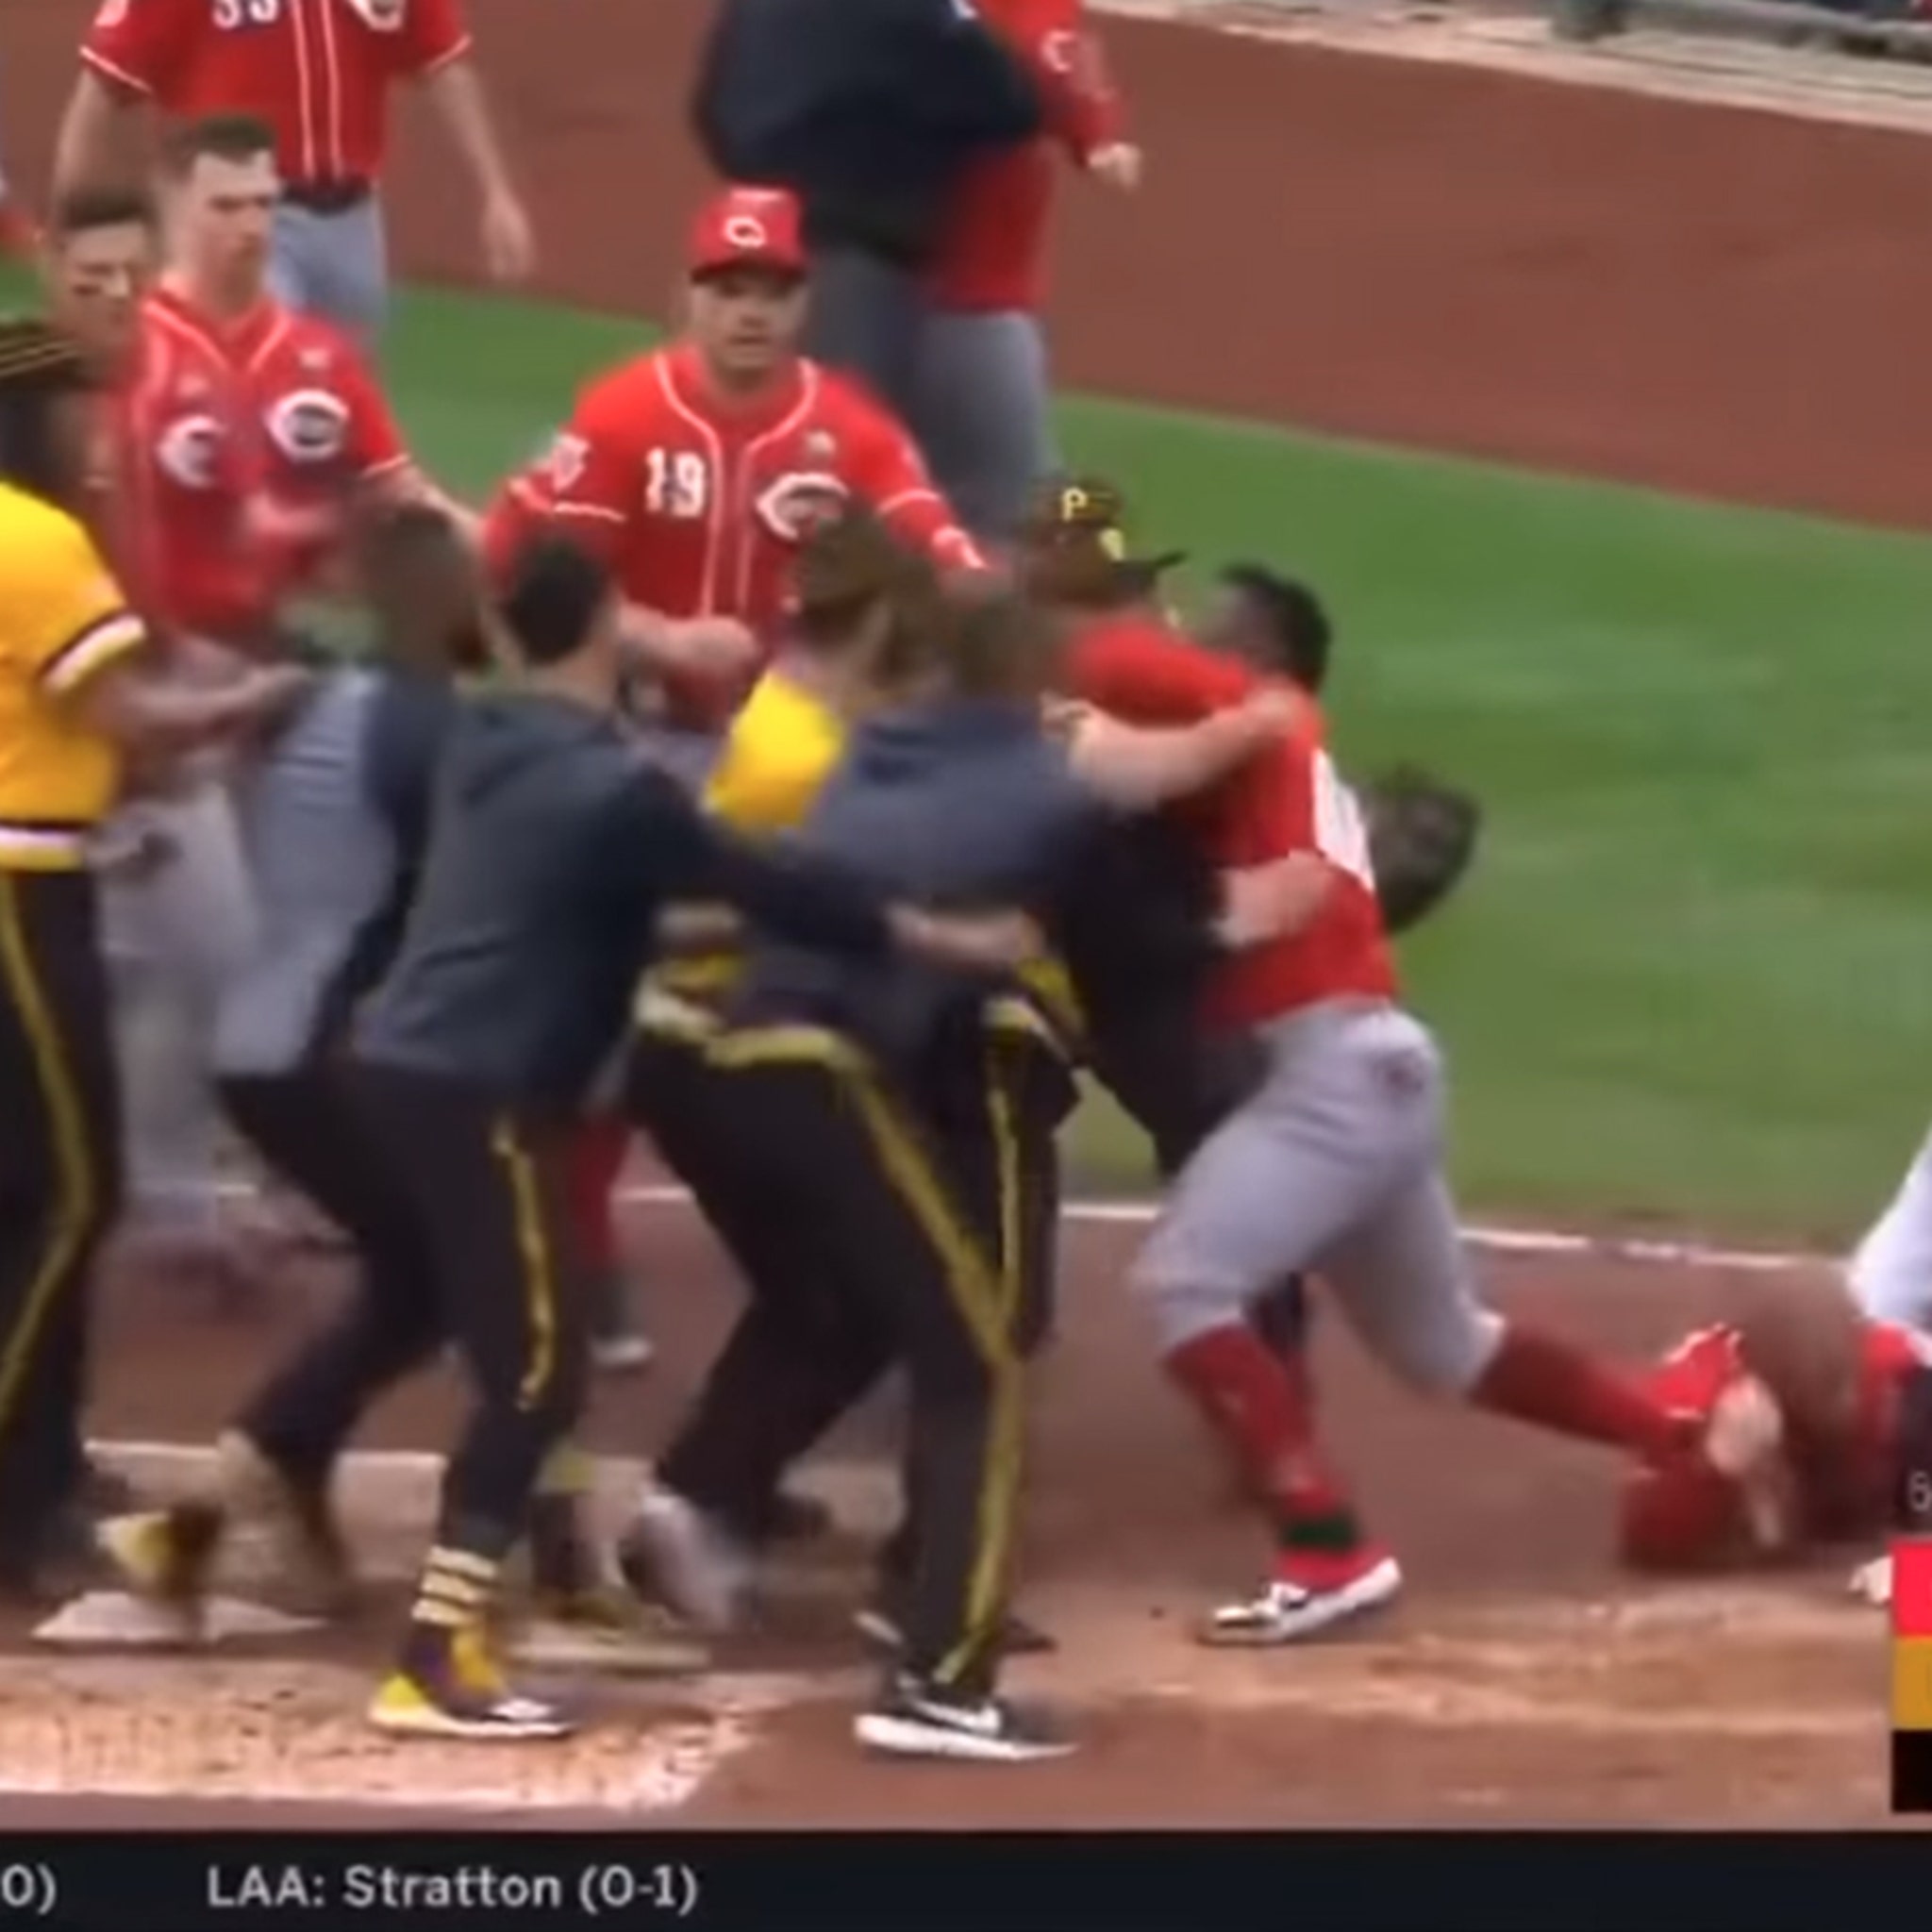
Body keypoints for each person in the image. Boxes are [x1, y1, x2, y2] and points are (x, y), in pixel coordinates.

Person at [342, 529, 1033, 1740]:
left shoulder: (491, 741)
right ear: (608, 625)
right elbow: (770, 881)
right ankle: (436, 1651)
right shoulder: (615, 789)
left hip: (418, 1069)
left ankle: (498, 1603)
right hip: (483, 1088)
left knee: (530, 1351)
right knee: (538, 1369)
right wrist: (936, 937)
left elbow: (581, 906)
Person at [627, 540, 1309, 1761]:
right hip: (826, 1076)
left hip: (749, 1061)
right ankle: (939, 1672)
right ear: (1032, 666)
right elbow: (1156, 780)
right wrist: (1270, 732)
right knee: (978, 1357)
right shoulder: (1033, 778)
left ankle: (726, 1511)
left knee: (867, 1312)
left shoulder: (885, 741)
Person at [1066, 568, 1788, 1645]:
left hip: (1331, 1079)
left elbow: (1092, 659)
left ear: (1256, 656)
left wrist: (1020, 625)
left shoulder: (1258, 714)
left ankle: (1326, 1550)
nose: (1189, 636)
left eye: (1214, 627)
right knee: (1442, 1341)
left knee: (1185, 1284)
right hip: (1376, 1068)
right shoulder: (1267, 755)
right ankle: (1683, 1433)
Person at [486, 180, 988, 1365]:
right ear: (688, 297)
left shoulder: (850, 429)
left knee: (813, 988)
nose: (747, 312)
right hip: (643, 742)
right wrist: (656, 633)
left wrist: (1000, 613)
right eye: (727, 289)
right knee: (605, 994)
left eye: (769, 291)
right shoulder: (621, 413)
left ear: (802, 303)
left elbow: (943, 552)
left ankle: (853, 1246)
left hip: (786, 763)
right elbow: (516, 556)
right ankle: (584, 1253)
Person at [104, 114, 453, 1293]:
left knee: (288, 943)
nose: (250, 227)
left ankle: (274, 1170)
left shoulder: (316, 355)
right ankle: (167, 1200)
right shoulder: (119, 355)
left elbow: (399, 496)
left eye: (263, 205)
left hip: (289, 684)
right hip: (158, 683)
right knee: (195, 947)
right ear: (170, 206)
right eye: (225, 204)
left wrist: (498, 553)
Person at [0, 316, 305, 1595]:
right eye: (74, 403)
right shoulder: (39, 541)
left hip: (40, 874)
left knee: (27, 1196)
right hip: (22, 894)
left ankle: (47, 1469)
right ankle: (16, 1500)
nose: (94, 427)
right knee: (68, 1195)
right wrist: (259, 703)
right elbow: (138, 728)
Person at [56, 0, 532, 349]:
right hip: (239, 212)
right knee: (250, 384)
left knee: (333, 416)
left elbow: (441, 62)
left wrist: (497, 190)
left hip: (352, 221)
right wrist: (69, 231)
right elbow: (102, 84)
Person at [691, 0, 1042, 428]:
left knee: (728, 430)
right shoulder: (917, 12)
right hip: (856, 256)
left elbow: (711, 110)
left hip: (748, 244)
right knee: (838, 446)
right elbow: (1013, 102)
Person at [913, 0, 1138, 545]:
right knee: (1030, 511)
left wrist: (1097, 135)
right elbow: (1051, 60)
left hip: (935, 292)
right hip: (964, 304)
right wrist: (1096, 137)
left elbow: (1065, 62)